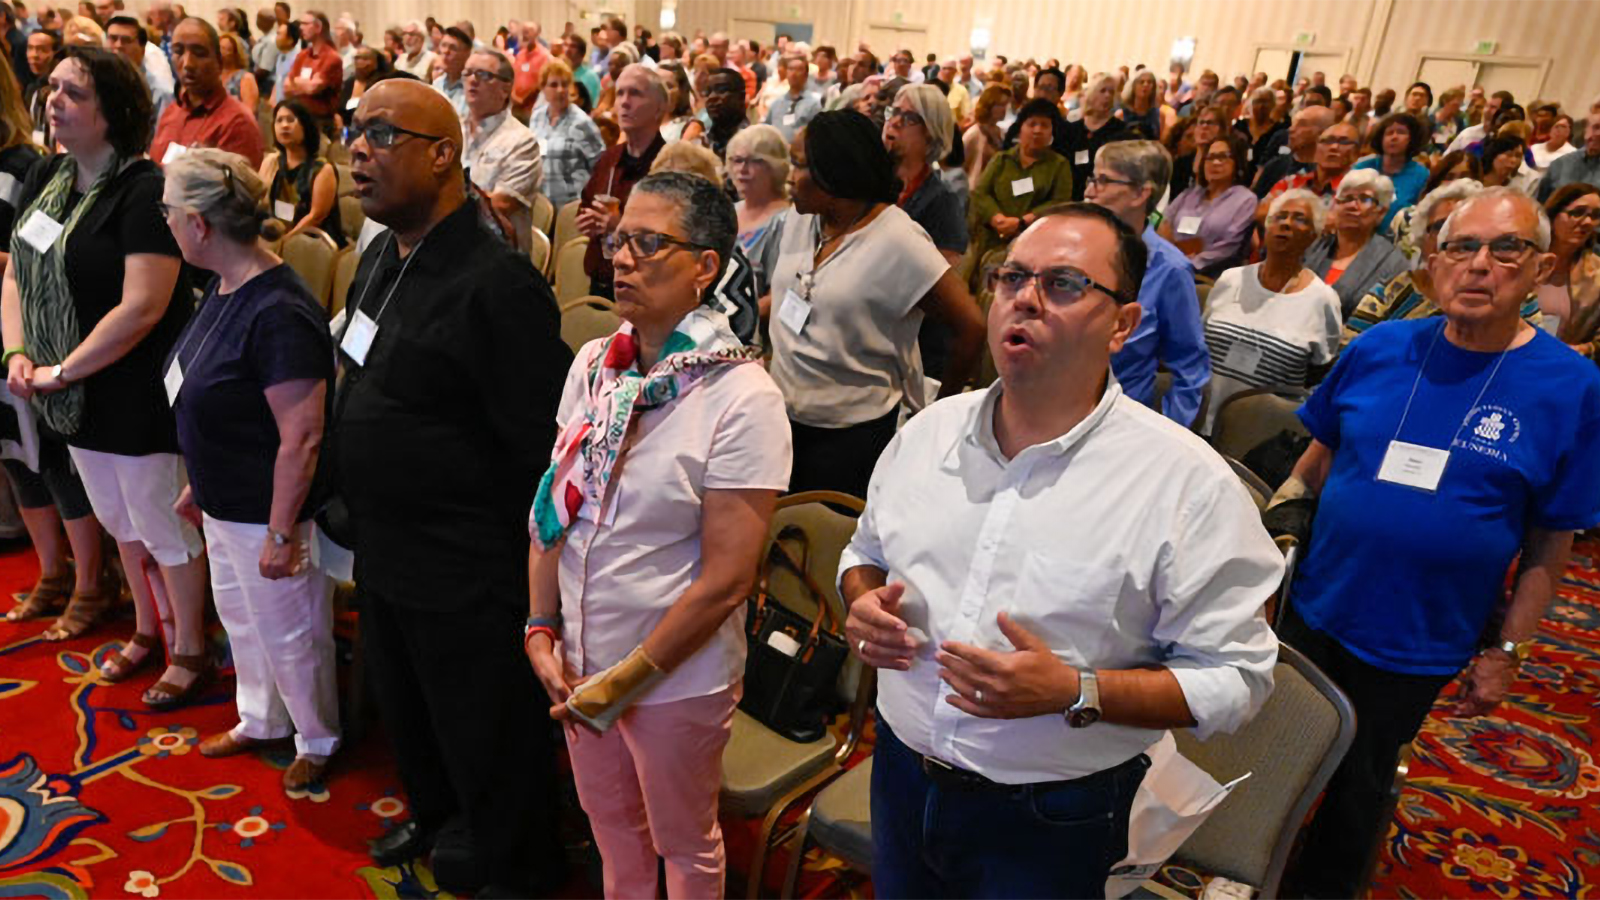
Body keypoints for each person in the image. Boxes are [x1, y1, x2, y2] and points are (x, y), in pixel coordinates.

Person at [841, 201, 1281, 899]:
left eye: (1065, 284)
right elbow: (863, 551)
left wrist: (1077, 691)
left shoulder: (1185, 483)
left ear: (1124, 325)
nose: (1026, 300)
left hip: (1052, 810)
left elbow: (1239, 679)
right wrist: (862, 602)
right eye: (1011, 277)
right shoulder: (929, 433)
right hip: (901, 768)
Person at [1274, 186, 1600, 900]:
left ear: (1540, 266)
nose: (1480, 266)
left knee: (1358, 783)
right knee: (1277, 753)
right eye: (1461, 247)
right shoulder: (1382, 349)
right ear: (1433, 262)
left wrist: (1509, 652)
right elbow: (1317, 456)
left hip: (1421, 633)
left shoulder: (1571, 386)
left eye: (1505, 248)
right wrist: (1282, 526)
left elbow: (1553, 540)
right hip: (1316, 604)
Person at [526, 171, 787, 900]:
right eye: (618, 240)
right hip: (580, 658)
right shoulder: (596, 366)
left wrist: (626, 681)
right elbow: (554, 505)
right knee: (609, 825)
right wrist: (538, 627)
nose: (622, 259)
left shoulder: (741, 396)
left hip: (674, 675)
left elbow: (729, 578)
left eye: (648, 243)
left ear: (706, 266)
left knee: (683, 841)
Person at [335, 79, 568, 895]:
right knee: (412, 710)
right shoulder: (381, 256)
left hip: (463, 563)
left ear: (442, 155)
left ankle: (516, 864)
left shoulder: (496, 283)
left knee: (485, 729)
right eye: (353, 133)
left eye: (380, 135)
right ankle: (440, 815)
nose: (358, 150)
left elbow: (538, 447)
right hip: (388, 544)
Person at [4, 47, 207, 702]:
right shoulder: (46, 176)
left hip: (131, 386)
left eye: (73, 92)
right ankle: (147, 630)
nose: (53, 100)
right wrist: (16, 354)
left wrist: (62, 368)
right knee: (119, 521)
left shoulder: (145, 190)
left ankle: (191, 648)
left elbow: (143, 306)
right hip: (68, 388)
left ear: (112, 111)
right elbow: (15, 274)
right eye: (50, 88)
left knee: (161, 527)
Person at [160, 148, 337, 791]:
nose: (168, 224)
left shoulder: (279, 311)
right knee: (241, 618)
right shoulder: (224, 285)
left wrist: (281, 530)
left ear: (202, 226)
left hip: (269, 507)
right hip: (223, 497)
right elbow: (216, 398)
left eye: (171, 212)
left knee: (292, 632)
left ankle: (317, 735)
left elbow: (302, 435)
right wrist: (198, 484)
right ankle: (260, 717)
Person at [768, 110, 983, 498]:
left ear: (835, 176)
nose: (789, 173)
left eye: (799, 164)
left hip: (851, 434)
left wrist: (941, 412)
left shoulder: (897, 239)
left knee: (823, 546)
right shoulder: (801, 219)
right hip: (780, 417)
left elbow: (971, 325)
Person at [0, 53, 108, 633]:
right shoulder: (41, 169)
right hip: (12, 327)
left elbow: (26, 256)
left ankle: (91, 580)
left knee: (56, 457)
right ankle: (52, 572)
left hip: (39, 331)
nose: (54, 99)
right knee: (16, 456)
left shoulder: (24, 163)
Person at [1086, 140, 1210, 427]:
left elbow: (1190, 368)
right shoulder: (1076, 247)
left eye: (1103, 181)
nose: (1089, 190)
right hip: (1051, 404)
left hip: (1114, 422)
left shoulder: (1170, 269)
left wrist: (1167, 434)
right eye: (1092, 178)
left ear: (1141, 193)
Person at [1199, 188, 1340, 434]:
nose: (1286, 223)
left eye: (1299, 219)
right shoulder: (1230, 279)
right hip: (1201, 420)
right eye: (1279, 216)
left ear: (1314, 236)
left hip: (1261, 437)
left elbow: (1318, 374)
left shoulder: (1323, 299)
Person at [578, 64, 664, 300]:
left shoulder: (668, 165)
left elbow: (670, 235)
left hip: (645, 290)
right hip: (601, 281)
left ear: (659, 109)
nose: (624, 102)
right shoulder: (609, 158)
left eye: (635, 93)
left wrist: (620, 226)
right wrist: (588, 221)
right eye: (620, 94)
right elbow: (586, 203)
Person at [970, 98, 1072, 280]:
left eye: (1044, 125)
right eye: (1032, 124)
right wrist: (998, 219)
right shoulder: (1002, 160)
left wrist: (1022, 222)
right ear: (1021, 127)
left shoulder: (1059, 165)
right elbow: (980, 192)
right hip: (992, 240)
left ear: (1052, 132)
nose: (1037, 130)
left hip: (1035, 244)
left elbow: (1060, 202)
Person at [150, 17, 263, 168]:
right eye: (178, 52)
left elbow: (239, 189)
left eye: (199, 53)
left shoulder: (237, 122)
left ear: (219, 61)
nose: (187, 63)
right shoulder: (171, 113)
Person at [461, 47, 542, 253]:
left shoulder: (522, 142)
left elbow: (498, 207)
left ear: (505, 89)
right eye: (467, 73)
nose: (472, 80)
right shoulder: (451, 132)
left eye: (483, 75)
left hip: (498, 261)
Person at [1302, 169, 1409, 317]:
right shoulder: (1314, 245)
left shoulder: (1393, 263)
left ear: (1381, 212)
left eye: (1364, 199)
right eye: (1346, 198)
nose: (1352, 205)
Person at [1158, 129, 1257, 277]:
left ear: (1237, 162)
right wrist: (1170, 258)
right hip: (1170, 267)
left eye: (1222, 157)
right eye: (1210, 157)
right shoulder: (1190, 194)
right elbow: (1164, 224)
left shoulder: (1245, 199)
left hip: (1211, 275)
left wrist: (1188, 264)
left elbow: (1229, 247)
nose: (1215, 162)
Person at [259, 99, 341, 244]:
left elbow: (316, 217)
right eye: (279, 120)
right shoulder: (271, 163)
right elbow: (259, 204)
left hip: (312, 246)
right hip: (275, 239)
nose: (284, 125)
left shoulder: (322, 169)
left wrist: (284, 242)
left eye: (291, 120)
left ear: (305, 126)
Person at [528, 58, 603, 211]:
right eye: (554, 85)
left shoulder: (582, 123)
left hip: (573, 207)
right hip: (542, 204)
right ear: (543, 88)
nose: (561, 90)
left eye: (565, 84)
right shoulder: (537, 117)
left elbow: (601, 167)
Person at [726, 124, 787, 302]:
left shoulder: (787, 221)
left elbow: (780, 295)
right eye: (737, 160)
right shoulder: (728, 212)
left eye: (754, 161)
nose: (742, 169)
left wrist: (739, 322)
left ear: (775, 166)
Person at [1538, 183, 1600, 348]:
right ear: (1553, 214)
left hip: (1565, 364)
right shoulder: (1522, 259)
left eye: (1595, 215)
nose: (1587, 222)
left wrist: (1580, 351)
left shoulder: (1597, 273)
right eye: (1577, 213)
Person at [1259, 119, 1359, 218]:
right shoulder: (1291, 182)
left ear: (1357, 153)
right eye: (1327, 141)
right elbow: (1262, 213)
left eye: (1344, 142)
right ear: (1316, 148)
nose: (1334, 147)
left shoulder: (1359, 190)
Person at [1352, 111, 1429, 234]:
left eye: (1401, 132)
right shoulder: (1362, 167)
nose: (1394, 137)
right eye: (1389, 133)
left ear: (1412, 139)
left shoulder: (1421, 175)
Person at [1061, 72, 1126, 200]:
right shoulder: (1072, 128)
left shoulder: (1120, 131)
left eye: (1111, 92)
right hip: (1070, 192)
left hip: (1102, 195)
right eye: (1102, 91)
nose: (1107, 95)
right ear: (1091, 94)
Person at [1252, 104, 1335, 199]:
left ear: (1323, 133)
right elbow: (1256, 203)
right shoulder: (1277, 165)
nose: (1291, 130)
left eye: (1302, 124)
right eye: (1293, 124)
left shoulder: (1330, 171)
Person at [280, 9, 338, 130]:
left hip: (321, 121)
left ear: (318, 27)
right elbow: (286, 88)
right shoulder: (302, 55)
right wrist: (304, 85)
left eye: (306, 24)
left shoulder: (332, 57)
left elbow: (313, 88)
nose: (301, 28)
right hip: (300, 118)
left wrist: (297, 83)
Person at [104, 16, 170, 120]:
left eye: (126, 40)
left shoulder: (158, 88)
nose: (118, 45)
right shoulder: (96, 76)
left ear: (142, 49)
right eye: (113, 38)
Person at [1537, 112, 1600, 202]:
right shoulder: (1560, 164)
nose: (1598, 134)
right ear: (1586, 129)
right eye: (1596, 127)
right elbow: (1540, 205)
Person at [764, 53, 819, 142]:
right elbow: (766, 128)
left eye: (799, 70)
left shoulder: (813, 104)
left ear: (806, 75)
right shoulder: (777, 103)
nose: (794, 73)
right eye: (791, 69)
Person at [962, 83, 1009, 186]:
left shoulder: (1001, 133)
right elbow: (961, 167)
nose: (1004, 109)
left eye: (1006, 104)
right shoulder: (974, 134)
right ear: (989, 105)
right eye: (1000, 105)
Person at [1445, 88, 1512, 154]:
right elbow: (1446, 157)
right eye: (1486, 106)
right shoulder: (1469, 133)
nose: (1486, 111)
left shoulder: (1508, 140)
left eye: (1493, 107)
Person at [700, 67, 747, 162]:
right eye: (708, 92)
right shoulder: (701, 142)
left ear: (741, 97)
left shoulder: (755, 142)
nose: (712, 97)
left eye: (721, 91)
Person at [335, 43, 384, 128]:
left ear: (375, 62)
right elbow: (339, 107)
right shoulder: (349, 82)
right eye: (357, 58)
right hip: (346, 127)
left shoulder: (380, 83)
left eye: (365, 58)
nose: (360, 62)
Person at [508, 20, 548, 120]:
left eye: (529, 31)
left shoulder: (544, 56)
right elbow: (514, 77)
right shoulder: (520, 54)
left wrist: (523, 100)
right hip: (516, 107)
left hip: (533, 109)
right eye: (524, 31)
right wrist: (513, 97)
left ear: (538, 33)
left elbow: (541, 83)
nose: (525, 34)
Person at [427, 25, 467, 120]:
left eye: (453, 48)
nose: (446, 51)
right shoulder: (437, 84)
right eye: (443, 45)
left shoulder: (471, 86)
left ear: (466, 53)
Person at [657, 62, 701, 143]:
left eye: (668, 86)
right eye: (658, 86)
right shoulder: (641, 123)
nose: (662, 91)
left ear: (681, 91)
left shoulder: (689, 127)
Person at [216, 31, 257, 114]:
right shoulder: (214, 77)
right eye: (220, 48)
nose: (221, 53)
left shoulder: (245, 78)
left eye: (225, 49)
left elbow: (250, 111)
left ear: (235, 53)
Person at [1115, 69, 1162, 141]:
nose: (1145, 85)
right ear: (1133, 87)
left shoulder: (1159, 115)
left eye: (1149, 82)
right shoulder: (1121, 115)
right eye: (1141, 82)